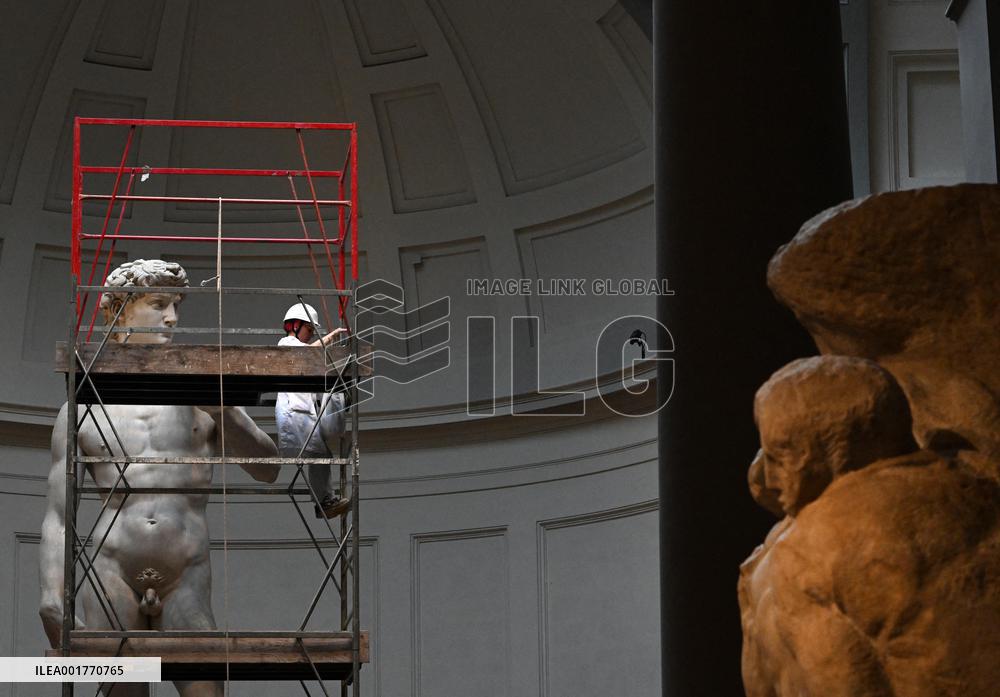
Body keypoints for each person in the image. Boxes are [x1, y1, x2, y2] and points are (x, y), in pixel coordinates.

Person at [39, 259, 280, 697]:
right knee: (122, 694)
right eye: (158, 304)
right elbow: (58, 515)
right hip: (110, 570)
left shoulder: (204, 393)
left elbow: (269, 468)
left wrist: (224, 410)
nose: (172, 317)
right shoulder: (80, 411)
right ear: (119, 311)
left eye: (175, 305)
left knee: (205, 691)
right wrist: (50, 593)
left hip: (185, 573)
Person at [275, 301, 350, 518]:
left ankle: (324, 502)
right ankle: (324, 503)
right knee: (320, 455)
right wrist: (330, 339)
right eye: (309, 330)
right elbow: (307, 354)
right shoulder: (286, 343)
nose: (309, 335)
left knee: (321, 455)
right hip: (294, 415)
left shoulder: (303, 353)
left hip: (301, 415)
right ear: (295, 325)